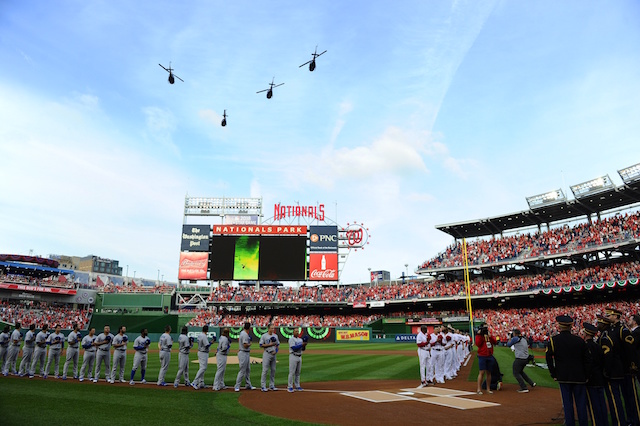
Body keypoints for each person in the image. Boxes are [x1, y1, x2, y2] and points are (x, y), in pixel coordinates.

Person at [546, 314, 589, 426]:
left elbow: (548, 358)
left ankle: (570, 423)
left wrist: (553, 373)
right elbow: (587, 359)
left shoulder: (554, 340)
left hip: (563, 376)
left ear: (559, 326)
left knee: (567, 403)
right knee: (581, 403)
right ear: (571, 327)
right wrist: (586, 374)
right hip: (579, 376)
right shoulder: (580, 341)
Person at [605, 307, 640, 426]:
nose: (607, 317)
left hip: (626, 368)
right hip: (619, 370)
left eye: (609, 315)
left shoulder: (622, 330)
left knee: (631, 397)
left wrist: (633, 365)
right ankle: (630, 420)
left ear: (616, 316)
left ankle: (637, 420)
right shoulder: (611, 330)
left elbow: (630, 350)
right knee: (626, 396)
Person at [597, 314, 626, 426]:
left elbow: (608, 356)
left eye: (599, 323)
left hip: (612, 372)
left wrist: (606, 371)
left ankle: (619, 422)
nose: (598, 324)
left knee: (614, 399)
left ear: (604, 325)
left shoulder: (605, 337)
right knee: (615, 398)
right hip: (615, 370)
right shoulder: (608, 334)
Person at [582, 322, 608, 426]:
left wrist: (587, 376)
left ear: (586, 333)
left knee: (593, 406)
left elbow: (588, 364)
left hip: (591, 379)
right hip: (600, 378)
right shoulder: (598, 346)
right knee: (602, 404)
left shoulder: (586, 347)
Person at [506, 329, 536, 393]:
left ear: (515, 334)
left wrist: (510, 338)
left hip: (520, 358)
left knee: (515, 372)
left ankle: (524, 387)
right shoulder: (523, 338)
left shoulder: (515, 338)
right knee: (520, 371)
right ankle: (531, 383)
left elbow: (508, 344)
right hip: (526, 358)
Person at [234, 322, 256, 392]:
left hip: (245, 352)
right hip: (243, 353)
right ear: (249, 328)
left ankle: (248, 385)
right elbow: (245, 345)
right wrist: (250, 344)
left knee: (247, 370)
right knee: (242, 370)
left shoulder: (243, 333)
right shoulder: (245, 334)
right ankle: (237, 386)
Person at [192, 325, 215, 390]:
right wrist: (212, 342)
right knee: (203, 368)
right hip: (203, 353)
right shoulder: (204, 336)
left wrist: (210, 342)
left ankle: (201, 383)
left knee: (202, 368)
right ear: (207, 330)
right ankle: (194, 382)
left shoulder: (200, 335)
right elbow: (207, 345)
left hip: (201, 351)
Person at [475, 325, 497, 395]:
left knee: (489, 373)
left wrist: (490, 336)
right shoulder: (479, 336)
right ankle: (479, 389)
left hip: (489, 355)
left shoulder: (489, 336)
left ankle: (488, 388)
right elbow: (478, 344)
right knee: (481, 372)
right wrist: (479, 335)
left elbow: (495, 342)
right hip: (482, 356)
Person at [259, 324, 279, 391]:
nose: (273, 329)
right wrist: (269, 345)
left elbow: (277, 345)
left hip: (273, 354)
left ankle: (272, 385)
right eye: (271, 328)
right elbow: (261, 345)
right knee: (265, 370)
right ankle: (263, 386)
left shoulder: (275, 336)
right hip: (267, 353)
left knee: (273, 370)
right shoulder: (264, 336)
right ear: (268, 328)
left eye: (273, 328)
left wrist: (276, 351)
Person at [287, 327, 308, 392]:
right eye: (296, 331)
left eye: (298, 331)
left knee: (298, 373)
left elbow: (303, 349)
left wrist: (304, 344)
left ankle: (297, 385)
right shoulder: (291, 339)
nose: (297, 332)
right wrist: (302, 344)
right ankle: (290, 386)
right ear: (293, 332)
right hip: (293, 356)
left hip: (299, 356)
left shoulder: (300, 340)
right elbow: (294, 348)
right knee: (292, 372)